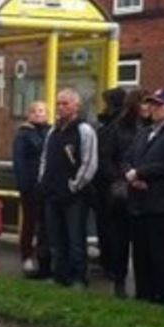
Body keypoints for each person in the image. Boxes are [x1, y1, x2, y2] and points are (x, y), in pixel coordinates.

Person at [124, 89, 164, 306]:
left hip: (163, 203)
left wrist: (141, 173)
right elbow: (128, 157)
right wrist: (131, 174)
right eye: (151, 104)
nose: (153, 108)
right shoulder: (144, 132)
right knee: (141, 253)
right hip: (139, 202)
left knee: (163, 254)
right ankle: (145, 295)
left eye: (159, 105)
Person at [39, 88, 98, 289]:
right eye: (58, 103)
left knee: (75, 239)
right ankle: (59, 275)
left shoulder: (84, 130)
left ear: (76, 106)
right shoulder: (53, 131)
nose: (60, 107)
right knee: (56, 239)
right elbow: (45, 158)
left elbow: (89, 162)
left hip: (74, 196)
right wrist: (43, 181)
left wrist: (74, 185)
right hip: (52, 192)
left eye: (65, 103)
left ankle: (78, 277)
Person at [96, 88, 147, 296]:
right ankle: (119, 281)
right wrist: (119, 179)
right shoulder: (117, 128)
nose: (148, 107)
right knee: (120, 238)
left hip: (145, 191)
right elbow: (105, 158)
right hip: (122, 191)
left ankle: (143, 286)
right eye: (143, 103)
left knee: (142, 241)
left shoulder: (151, 128)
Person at [12, 101, 51, 277]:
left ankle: (45, 257)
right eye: (34, 111)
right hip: (31, 185)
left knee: (46, 223)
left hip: (48, 185)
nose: (38, 114)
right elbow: (19, 161)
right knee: (30, 222)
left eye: (41, 111)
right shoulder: (23, 134)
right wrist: (24, 185)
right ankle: (26, 256)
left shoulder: (51, 131)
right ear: (29, 114)